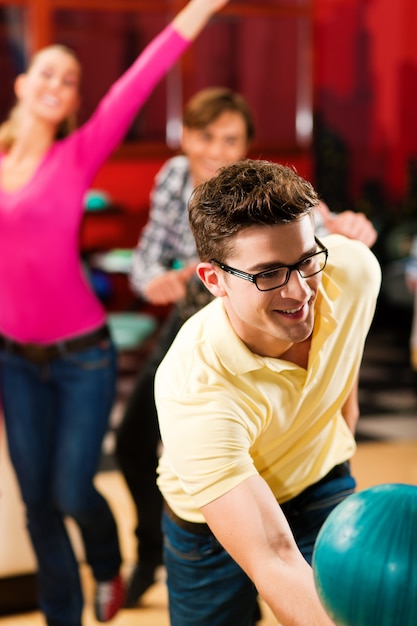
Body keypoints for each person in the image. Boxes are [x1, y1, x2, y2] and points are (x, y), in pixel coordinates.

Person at [0, 1, 229, 625]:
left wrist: (200, 10)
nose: (57, 84)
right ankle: (63, 618)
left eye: (70, 79)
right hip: (14, 360)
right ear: (21, 84)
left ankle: (106, 564)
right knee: (37, 506)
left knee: (73, 490)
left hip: (83, 357)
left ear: (74, 101)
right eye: (47, 72)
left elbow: (143, 77)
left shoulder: (75, 156)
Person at [117, 87, 378, 608]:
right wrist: (156, 283)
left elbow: (340, 363)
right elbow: (274, 557)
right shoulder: (192, 384)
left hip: (317, 479)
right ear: (213, 278)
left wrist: (336, 450)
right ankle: (145, 556)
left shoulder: (351, 272)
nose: (300, 290)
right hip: (204, 525)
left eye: (306, 260)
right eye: (269, 273)